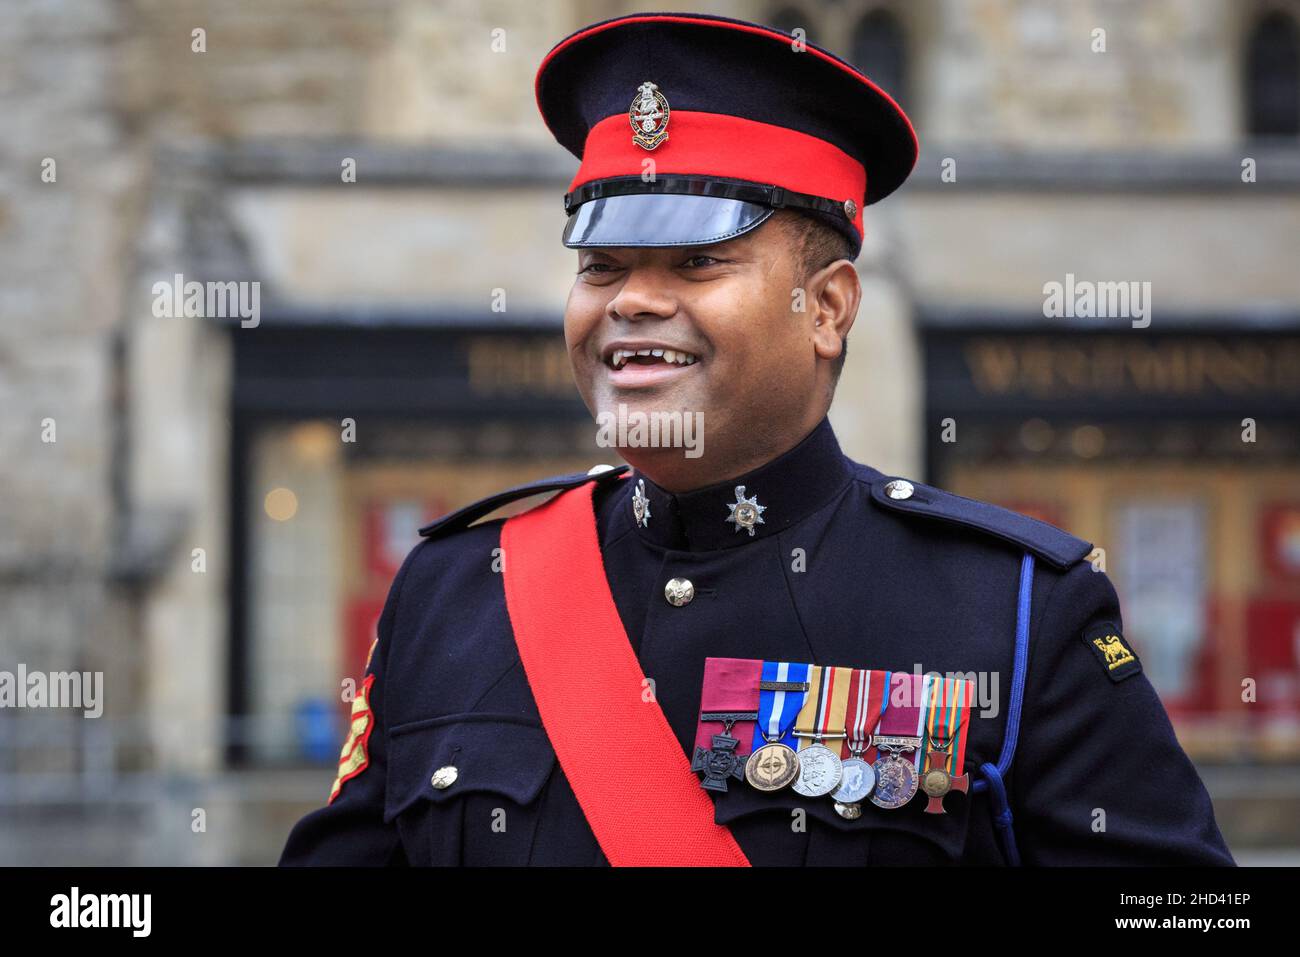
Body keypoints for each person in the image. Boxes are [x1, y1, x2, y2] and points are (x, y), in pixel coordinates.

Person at [279, 11, 1234, 866]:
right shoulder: (453, 591)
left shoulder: (1018, 613)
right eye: (603, 265)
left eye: (698, 262)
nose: (633, 302)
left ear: (826, 308)